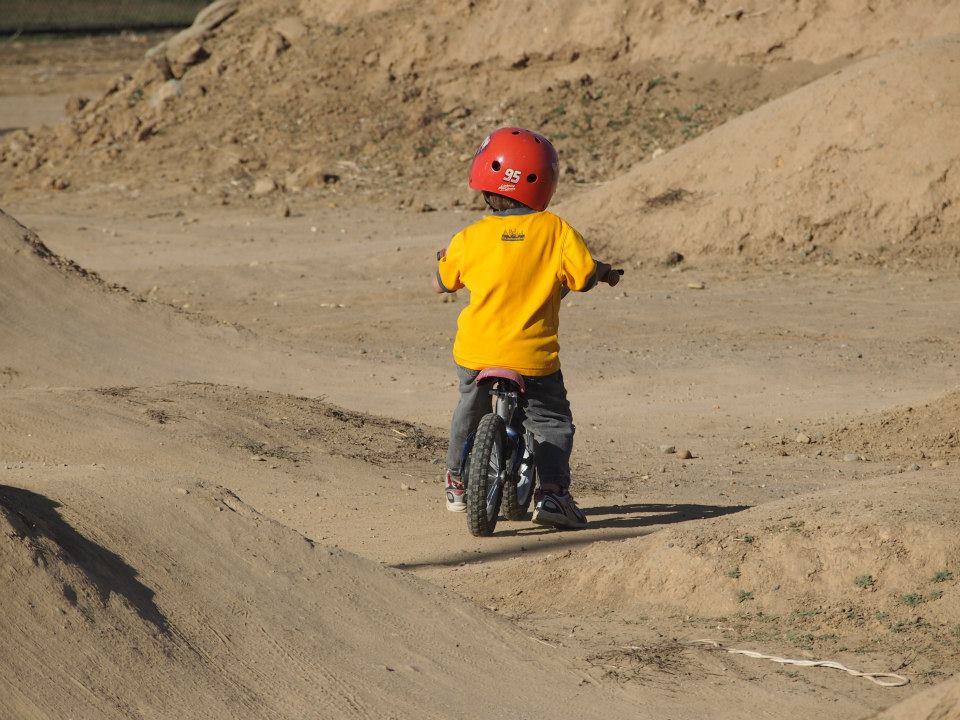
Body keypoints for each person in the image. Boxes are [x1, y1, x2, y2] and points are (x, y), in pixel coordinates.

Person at [432, 127, 622, 529]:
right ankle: (552, 494)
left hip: (476, 352)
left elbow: (443, 281)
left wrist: (442, 266)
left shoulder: (470, 238)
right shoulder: (556, 231)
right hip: (532, 359)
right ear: (545, 184)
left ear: (484, 182)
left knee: (469, 406)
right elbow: (584, 276)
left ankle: (456, 481)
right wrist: (604, 273)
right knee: (551, 420)